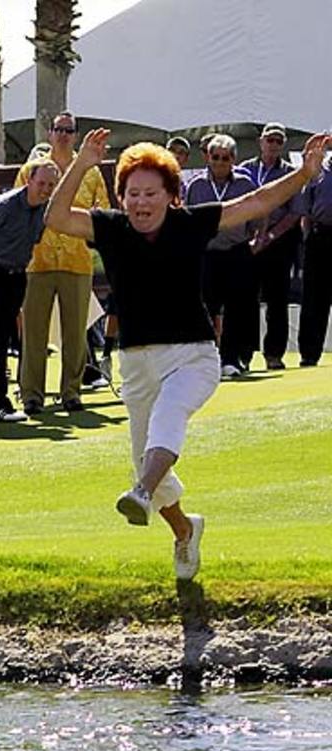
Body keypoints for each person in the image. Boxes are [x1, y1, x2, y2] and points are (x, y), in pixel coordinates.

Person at [45, 128, 328, 579]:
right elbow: (56, 218)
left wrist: (305, 176)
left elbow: (254, 204)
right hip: (136, 362)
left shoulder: (191, 222)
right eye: (132, 194)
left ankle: (140, 489)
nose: (141, 202)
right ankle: (184, 530)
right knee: (151, 464)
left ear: (171, 195)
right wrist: (80, 164)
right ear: (122, 197)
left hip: (193, 356)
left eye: (151, 193)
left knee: (166, 422)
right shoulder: (112, 228)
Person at [14, 112, 110, 415]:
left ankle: (72, 392)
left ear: (76, 134)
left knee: (75, 331)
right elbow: (19, 208)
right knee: (34, 333)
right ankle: (32, 395)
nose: (64, 135)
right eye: (59, 129)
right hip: (37, 261)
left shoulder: (91, 173)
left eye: (69, 130)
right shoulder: (31, 170)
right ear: (50, 132)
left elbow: (103, 213)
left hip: (77, 260)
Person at [0, 157, 59, 423]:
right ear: (29, 180)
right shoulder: (5, 205)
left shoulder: (44, 211)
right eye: (41, 183)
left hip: (17, 275)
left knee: (4, 340)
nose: (45, 189)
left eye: (50, 185)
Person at [183, 134, 257, 377]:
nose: (220, 163)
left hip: (237, 252)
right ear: (208, 157)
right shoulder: (196, 185)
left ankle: (231, 359)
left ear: (233, 159)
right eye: (215, 157)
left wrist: (257, 239)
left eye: (225, 158)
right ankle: (206, 360)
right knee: (205, 307)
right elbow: (189, 219)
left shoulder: (245, 184)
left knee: (237, 308)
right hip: (207, 254)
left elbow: (260, 215)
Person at [241, 123, 302, 370]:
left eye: (278, 141)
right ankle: (243, 355)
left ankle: (274, 355)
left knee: (277, 300)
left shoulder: (290, 172)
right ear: (261, 141)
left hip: (279, 242)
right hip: (247, 241)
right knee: (244, 299)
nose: (273, 145)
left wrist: (271, 235)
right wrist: (253, 236)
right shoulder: (245, 169)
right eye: (270, 140)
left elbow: (296, 211)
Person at [295, 148, 332, 367]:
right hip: (321, 236)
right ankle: (309, 353)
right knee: (314, 298)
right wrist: (309, 237)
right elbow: (305, 212)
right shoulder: (320, 171)